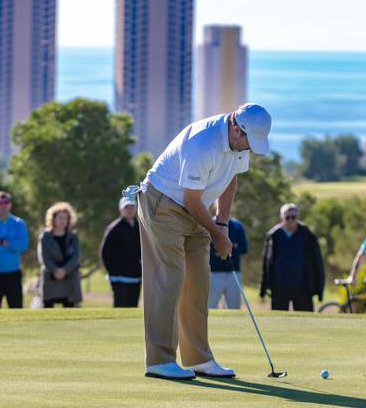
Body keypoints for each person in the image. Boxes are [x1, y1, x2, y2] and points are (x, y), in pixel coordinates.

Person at [129, 103, 272, 380]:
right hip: (163, 204)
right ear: (235, 127)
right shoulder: (202, 143)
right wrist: (217, 236)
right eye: (247, 142)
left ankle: (198, 359)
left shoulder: (238, 144)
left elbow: (231, 180)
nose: (247, 149)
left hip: (196, 209)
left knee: (199, 283)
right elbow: (190, 199)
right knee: (169, 279)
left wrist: (223, 224)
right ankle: (159, 361)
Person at [260, 203, 325, 312]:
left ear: (298, 218)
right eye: (287, 217)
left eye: (293, 217)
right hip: (279, 286)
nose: (290, 220)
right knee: (278, 322)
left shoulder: (307, 235)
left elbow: (317, 263)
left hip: (303, 286)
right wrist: (263, 289)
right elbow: (266, 263)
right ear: (282, 218)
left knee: (305, 321)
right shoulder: (273, 236)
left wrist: (319, 290)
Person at [100, 198, 142, 308]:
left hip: (136, 276)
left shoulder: (140, 227)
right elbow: (105, 253)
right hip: (118, 277)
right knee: (120, 306)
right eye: (126, 207)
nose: (129, 210)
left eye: (132, 207)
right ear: (121, 210)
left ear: (136, 208)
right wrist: (112, 271)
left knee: (133, 306)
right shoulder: (114, 228)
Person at [38, 202, 82, 308]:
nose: (63, 221)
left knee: (70, 311)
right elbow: (44, 258)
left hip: (70, 279)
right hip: (50, 278)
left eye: (65, 218)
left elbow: (76, 257)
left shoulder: (73, 236)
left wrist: (65, 270)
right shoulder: (45, 236)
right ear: (53, 219)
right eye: (60, 218)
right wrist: (55, 270)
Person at [208, 217, 248, 309]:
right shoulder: (209, 222)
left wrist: (228, 250)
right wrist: (218, 250)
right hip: (213, 273)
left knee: (234, 307)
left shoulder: (237, 225)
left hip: (233, 273)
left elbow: (244, 248)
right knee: (210, 307)